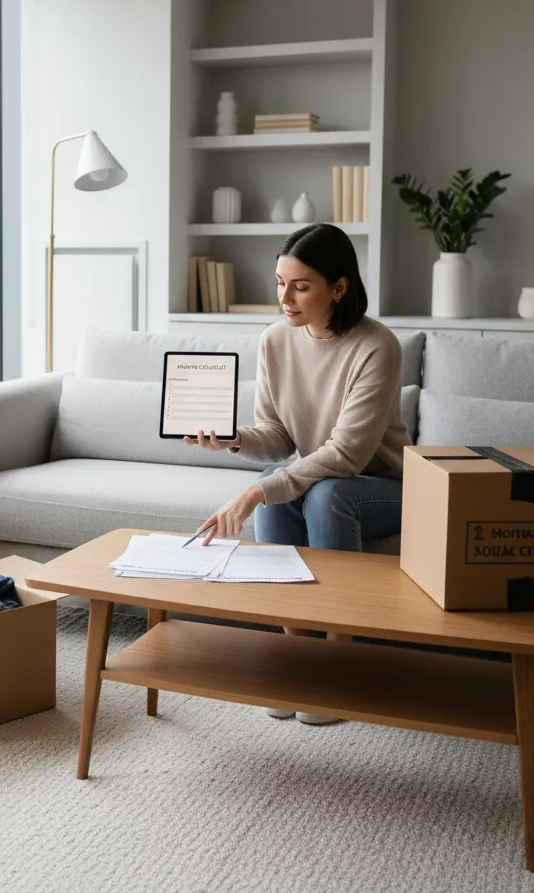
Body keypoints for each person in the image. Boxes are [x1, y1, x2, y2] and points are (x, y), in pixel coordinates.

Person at [185, 223, 411, 725]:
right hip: (324, 480)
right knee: (288, 484)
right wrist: (234, 438)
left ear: (339, 287)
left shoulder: (378, 346)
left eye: (300, 286)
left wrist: (257, 491)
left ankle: (339, 661)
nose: (284, 298)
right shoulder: (274, 340)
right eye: (279, 282)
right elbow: (279, 435)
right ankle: (296, 658)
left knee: (323, 495)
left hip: (387, 486)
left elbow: (347, 454)